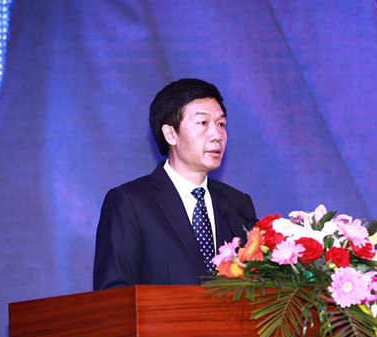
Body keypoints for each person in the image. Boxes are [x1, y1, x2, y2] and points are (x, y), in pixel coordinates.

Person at [93, 78, 257, 290]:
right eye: (203, 123)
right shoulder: (130, 203)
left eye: (221, 124)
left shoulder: (237, 205)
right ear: (170, 134)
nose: (217, 135)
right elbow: (114, 293)